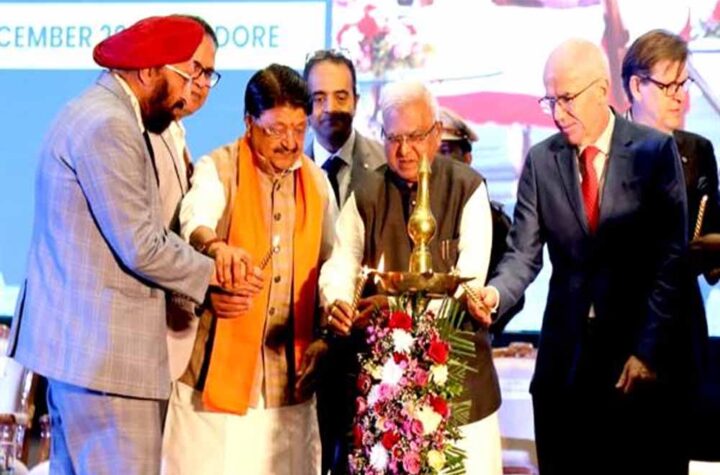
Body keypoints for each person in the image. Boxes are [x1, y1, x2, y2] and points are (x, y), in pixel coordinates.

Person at [6, 16, 220, 474]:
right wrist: (215, 275)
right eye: (186, 77)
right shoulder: (110, 125)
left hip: (86, 361)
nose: (189, 94)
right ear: (149, 71)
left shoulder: (96, 112)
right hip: (108, 365)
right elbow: (141, 244)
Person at [473, 39, 689, 475]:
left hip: (633, 363)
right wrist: (494, 295)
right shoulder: (542, 161)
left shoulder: (652, 152)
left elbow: (671, 263)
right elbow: (522, 255)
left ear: (602, 90)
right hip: (564, 365)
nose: (557, 113)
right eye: (549, 100)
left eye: (566, 98)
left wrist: (647, 351)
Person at [319, 80, 503, 475]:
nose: (404, 151)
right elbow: (341, 263)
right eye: (393, 138)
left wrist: (392, 307)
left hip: (461, 386)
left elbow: (469, 282)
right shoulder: (367, 192)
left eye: (415, 137)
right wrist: (337, 301)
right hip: (386, 385)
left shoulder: (467, 188)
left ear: (436, 133)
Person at [161, 63, 337, 475]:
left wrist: (326, 333)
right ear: (248, 122)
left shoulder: (317, 183)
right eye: (277, 129)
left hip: (288, 389)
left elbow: (334, 262)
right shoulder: (218, 167)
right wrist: (215, 248)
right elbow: (195, 219)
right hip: (211, 391)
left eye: (299, 129)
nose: (290, 142)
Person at [437, 107, 525, 336]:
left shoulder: (493, 221)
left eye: (446, 151)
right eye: (434, 152)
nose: (439, 161)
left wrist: (483, 326)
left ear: (467, 157)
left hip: (469, 341)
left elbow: (514, 294)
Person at [303, 49, 385, 207]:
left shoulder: (385, 164)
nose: (330, 108)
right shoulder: (290, 174)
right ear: (306, 105)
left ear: (356, 102)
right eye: (319, 99)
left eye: (340, 97)